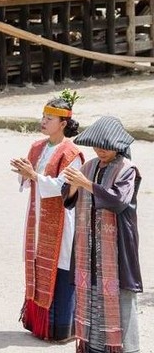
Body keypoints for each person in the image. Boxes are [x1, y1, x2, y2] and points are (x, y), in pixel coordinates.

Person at [62, 116, 142, 353]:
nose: (101, 151)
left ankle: (127, 348)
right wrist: (75, 185)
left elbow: (117, 200)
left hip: (117, 244)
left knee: (120, 294)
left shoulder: (127, 170)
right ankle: (95, 346)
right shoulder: (88, 166)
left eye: (106, 147)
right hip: (88, 243)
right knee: (91, 290)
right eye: (97, 146)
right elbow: (68, 198)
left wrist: (85, 184)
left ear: (118, 146)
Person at [11, 90, 84, 342]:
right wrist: (23, 172)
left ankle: (61, 328)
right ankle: (36, 323)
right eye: (43, 116)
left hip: (61, 220)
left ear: (63, 123)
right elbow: (28, 181)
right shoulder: (37, 146)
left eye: (49, 118)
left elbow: (63, 187)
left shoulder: (70, 153)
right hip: (37, 217)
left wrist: (34, 176)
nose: (43, 121)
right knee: (35, 263)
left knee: (60, 268)